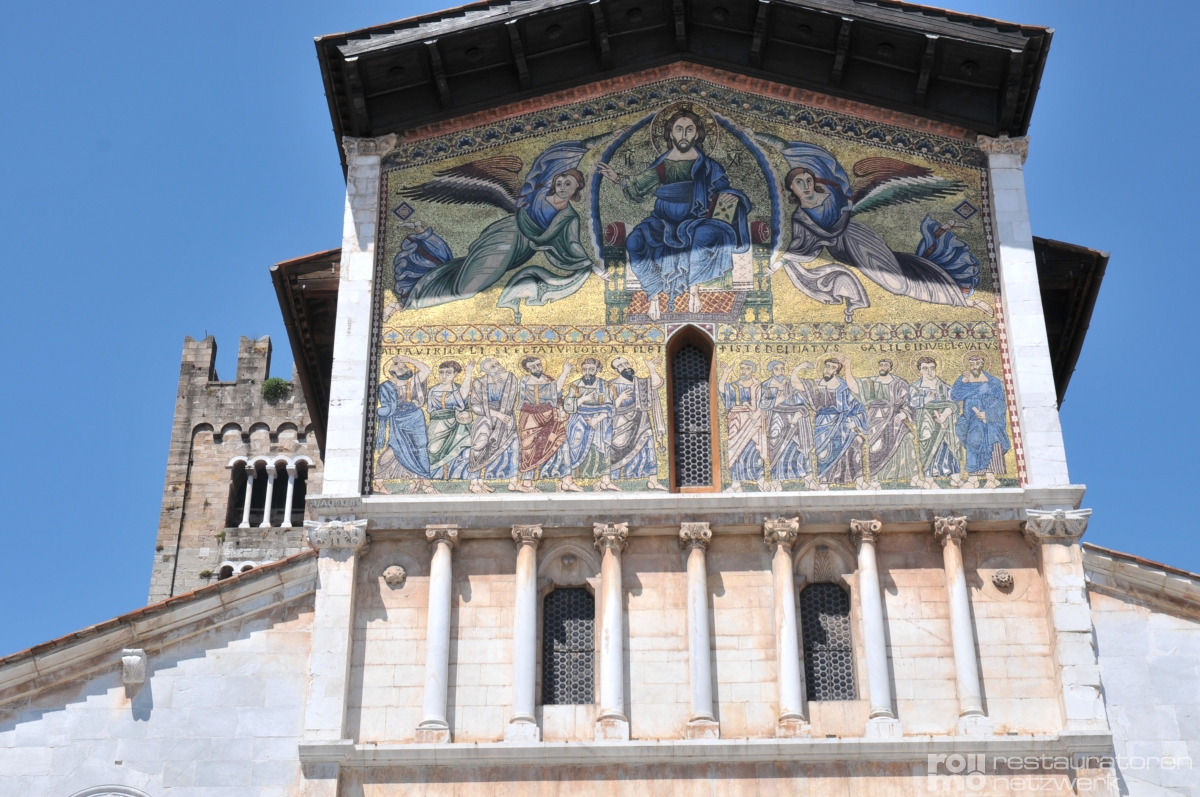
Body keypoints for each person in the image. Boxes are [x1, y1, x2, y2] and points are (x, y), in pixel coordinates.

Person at [401, 135, 621, 320]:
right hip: (506, 237)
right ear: (553, 183)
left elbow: (573, 245)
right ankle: (418, 299)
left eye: (568, 185)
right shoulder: (536, 195)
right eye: (560, 182)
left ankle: (422, 290)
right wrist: (608, 136)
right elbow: (561, 156)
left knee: (468, 280)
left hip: (522, 251)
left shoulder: (569, 217)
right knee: (469, 288)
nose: (563, 187)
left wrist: (595, 269)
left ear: (576, 189)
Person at [597, 108, 751, 319]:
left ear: (697, 134)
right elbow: (639, 185)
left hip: (699, 220)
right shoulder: (663, 164)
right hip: (663, 221)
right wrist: (617, 178)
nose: (684, 135)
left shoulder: (708, 166)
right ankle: (653, 294)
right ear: (671, 134)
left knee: (704, 237)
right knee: (635, 241)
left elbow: (724, 189)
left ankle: (694, 291)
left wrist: (732, 197)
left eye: (690, 129)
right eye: (679, 130)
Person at [844, 358, 918, 488]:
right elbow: (854, 387)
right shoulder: (872, 382)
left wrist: (904, 413)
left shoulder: (899, 383)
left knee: (907, 437)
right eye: (881, 365)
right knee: (874, 445)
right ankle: (874, 477)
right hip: (875, 418)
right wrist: (847, 367)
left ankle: (913, 476)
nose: (883, 367)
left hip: (895, 418)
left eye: (886, 365)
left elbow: (909, 402)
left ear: (890, 367)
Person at [795, 356, 869, 488]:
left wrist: (855, 421)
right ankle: (824, 482)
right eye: (827, 366)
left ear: (836, 371)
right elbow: (796, 384)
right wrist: (798, 369)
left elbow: (856, 398)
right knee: (823, 452)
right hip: (822, 423)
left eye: (833, 367)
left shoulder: (843, 386)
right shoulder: (816, 384)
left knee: (854, 443)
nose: (829, 369)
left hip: (842, 421)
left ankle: (859, 481)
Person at [374, 354, 436, 495]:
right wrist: (383, 411)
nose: (404, 368)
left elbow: (426, 370)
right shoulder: (385, 387)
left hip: (416, 418)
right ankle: (378, 483)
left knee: (421, 448)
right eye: (399, 366)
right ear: (392, 371)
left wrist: (408, 359)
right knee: (394, 449)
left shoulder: (413, 381)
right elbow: (386, 406)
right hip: (398, 421)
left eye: (405, 366)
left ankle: (427, 483)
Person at [606, 357, 667, 490]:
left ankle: (652, 480)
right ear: (616, 370)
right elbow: (607, 407)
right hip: (619, 423)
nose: (625, 366)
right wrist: (620, 398)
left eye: (626, 363)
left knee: (648, 446)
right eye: (620, 365)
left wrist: (651, 367)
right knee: (615, 451)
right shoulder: (611, 384)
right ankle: (612, 479)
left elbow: (657, 383)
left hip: (641, 420)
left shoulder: (640, 382)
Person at [760, 361, 821, 491]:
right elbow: (762, 404)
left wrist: (799, 413)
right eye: (777, 369)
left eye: (782, 368)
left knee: (800, 447)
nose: (780, 371)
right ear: (772, 371)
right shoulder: (766, 385)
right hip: (777, 417)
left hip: (796, 418)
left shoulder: (791, 384)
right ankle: (776, 480)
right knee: (775, 445)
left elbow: (802, 400)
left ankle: (808, 479)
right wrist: (777, 401)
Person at [513, 357, 572, 492]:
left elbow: (557, 393)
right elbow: (523, 402)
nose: (537, 368)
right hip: (531, 418)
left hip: (550, 416)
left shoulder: (549, 379)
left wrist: (564, 372)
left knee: (562, 442)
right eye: (533, 366)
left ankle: (566, 481)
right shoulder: (524, 381)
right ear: (527, 369)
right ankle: (527, 483)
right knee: (529, 448)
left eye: (538, 364)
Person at [951, 354, 1009, 489]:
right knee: (973, 440)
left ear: (983, 364)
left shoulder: (993, 382)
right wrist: (963, 382)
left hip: (989, 421)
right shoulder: (964, 379)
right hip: (970, 418)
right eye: (972, 363)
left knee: (992, 440)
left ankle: (991, 478)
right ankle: (973, 479)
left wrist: (987, 414)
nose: (974, 366)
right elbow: (955, 396)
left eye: (977, 363)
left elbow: (1000, 403)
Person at [557, 358, 614, 492]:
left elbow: (610, 406)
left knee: (602, 447)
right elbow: (567, 405)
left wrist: (597, 419)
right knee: (574, 446)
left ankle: (602, 481)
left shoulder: (604, 385)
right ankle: (568, 481)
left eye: (591, 369)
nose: (587, 372)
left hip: (599, 421)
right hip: (578, 420)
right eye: (584, 369)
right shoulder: (575, 385)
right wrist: (582, 399)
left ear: (598, 370)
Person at [466, 358, 519, 494]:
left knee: (512, 446)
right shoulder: (480, 383)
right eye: (493, 367)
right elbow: (475, 406)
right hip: (486, 419)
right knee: (479, 447)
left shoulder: (509, 380)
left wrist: (502, 416)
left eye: (498, 364)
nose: (498, 367)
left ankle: (513, 482)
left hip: (506, 418)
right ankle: (475, 482)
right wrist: (496, 414)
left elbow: (513, 391)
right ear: (487, 371)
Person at [909, 356, 963, 488]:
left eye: (932, 368)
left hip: (946, 423)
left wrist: (944, 415)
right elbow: (911, 403)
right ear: (919, 370)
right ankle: (929, 480)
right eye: (925, 369)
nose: (929, 372)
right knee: (928, 447)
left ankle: (955, 477)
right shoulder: (915, 387)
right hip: (926, 423)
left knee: (949, 446)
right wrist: (924, 401)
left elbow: (954, 404)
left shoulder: (944, 387)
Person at [720, 360, 768, 492]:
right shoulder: (734, 386)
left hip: (753, 422)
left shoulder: (759, 387)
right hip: (736, 422)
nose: (744, 371)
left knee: (754, 450)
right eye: (742, 368)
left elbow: (765, 403)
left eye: (747, 368)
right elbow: (722, 390)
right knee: (735, 452)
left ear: (752, 370)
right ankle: (736, 483)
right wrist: (725, 373)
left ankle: (760, 479)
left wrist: (757, 412)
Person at [426, 360, 475, 481]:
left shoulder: (459, 388)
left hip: (458, 426)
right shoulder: (432, 390)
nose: (443, 376)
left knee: (467, 446)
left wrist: (468, 373)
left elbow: (464, 400)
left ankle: (457, 477)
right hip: (438, 426)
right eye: (441, 372)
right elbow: (431, 411)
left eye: (448, 373)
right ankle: (435, 478)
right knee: (433, 450)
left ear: (455, 374)